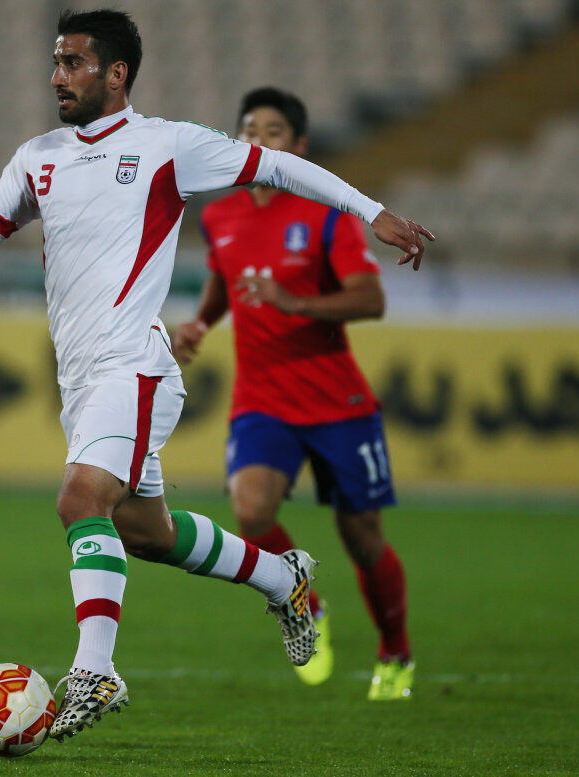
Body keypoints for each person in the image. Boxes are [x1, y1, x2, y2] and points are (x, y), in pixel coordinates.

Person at [0, 11, 432, 739]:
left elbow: (277, 166)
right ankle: (283, 577)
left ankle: (96, 670)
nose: (57, 76)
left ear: (116, 74)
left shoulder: (167, 146)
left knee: (81, 500)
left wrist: (372, 211)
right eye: (56, 62)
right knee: (146, 532)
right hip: (81, 380)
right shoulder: (38, 156)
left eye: (73, 63)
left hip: (134, 366)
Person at [173, 87, 417, 700]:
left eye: (273, 132)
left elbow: (371, 299)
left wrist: (294, 302)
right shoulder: (220, 217)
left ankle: (395, 652)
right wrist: (201, 322)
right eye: (248, 130)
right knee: (252, 513)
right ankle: (307, 602)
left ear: (299, 146)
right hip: (262, 400)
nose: (258, 141)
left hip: (337, 403)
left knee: (362, 539)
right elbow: (225, 281)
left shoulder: (327, 216)